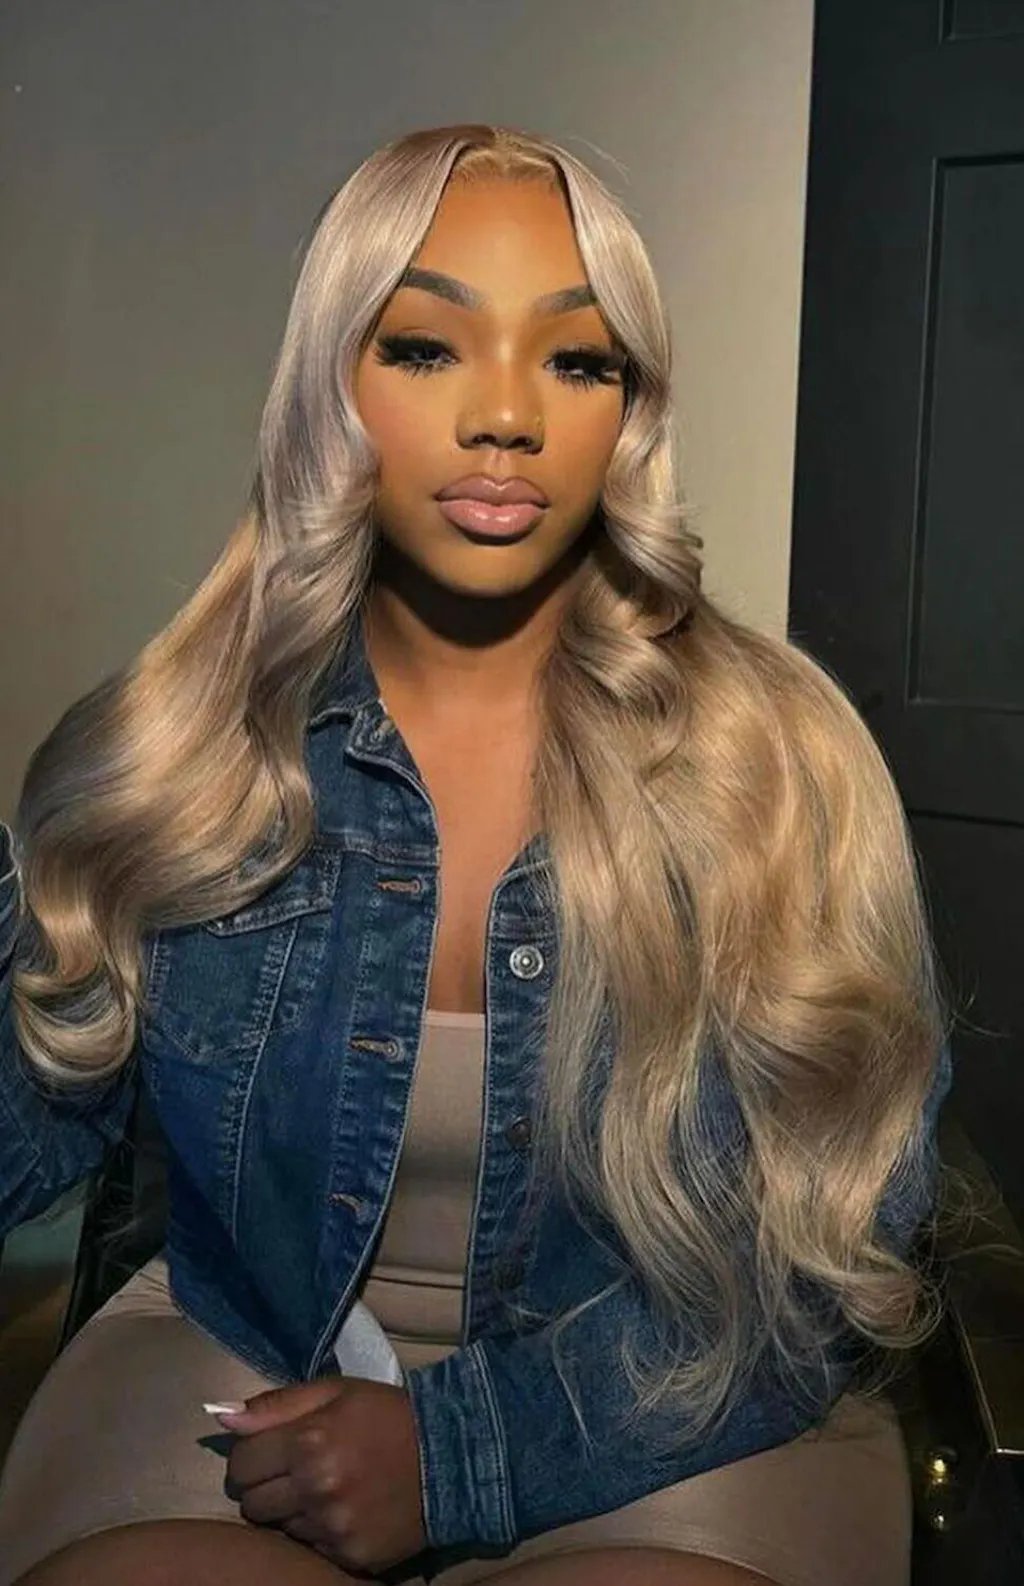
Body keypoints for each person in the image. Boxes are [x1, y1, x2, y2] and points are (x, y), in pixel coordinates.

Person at [0, 124, 954, 1586]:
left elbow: (829, 1255)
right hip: (242, 1351)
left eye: (575, 360)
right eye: (427, 347)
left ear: (629, 409)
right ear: (332, 384)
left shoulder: (777, 771)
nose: (505, 414)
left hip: (678, 1395)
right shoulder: (172, 756)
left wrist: (459, 1453)